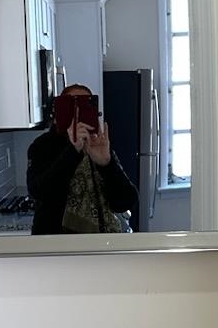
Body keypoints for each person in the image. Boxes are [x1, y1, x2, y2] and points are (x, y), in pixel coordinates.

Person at [26, 83, 138, 234]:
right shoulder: (42, 145)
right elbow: (39, 192)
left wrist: (106, 164)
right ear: (59, 111)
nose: (77, 114)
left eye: (83, 106)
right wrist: (73, 151)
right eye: (71, 107)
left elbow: (125, 201)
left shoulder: (97, 144)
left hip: (97, 245)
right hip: (54, 244)